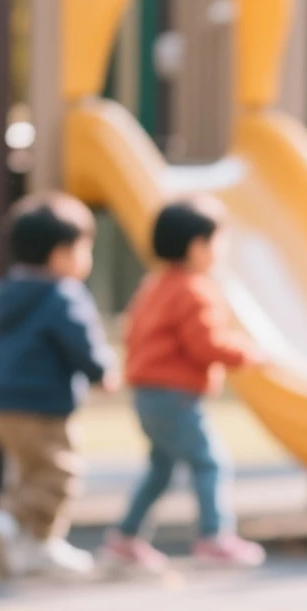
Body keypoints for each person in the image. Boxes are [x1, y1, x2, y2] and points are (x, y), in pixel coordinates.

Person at [99, 198, 265, 572]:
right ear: (198, 246)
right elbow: (206, 344)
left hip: (147, 393)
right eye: (219, 240)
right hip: (175, 395)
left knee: (161, 468)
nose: (222, 250)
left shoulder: (154, 285)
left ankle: (125, 538)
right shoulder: (196, 289)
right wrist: (248, 354)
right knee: (210, 463)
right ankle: (214, 536)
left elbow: (134, 333)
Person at [0, 193, 119, 578]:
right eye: (85, 248)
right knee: (60, 474)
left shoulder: (3, 292)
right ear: (61, 254)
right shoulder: (64, 295)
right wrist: (101, 372)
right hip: (43, 407)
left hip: (0, 406)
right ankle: (19, 529)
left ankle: (22, 546)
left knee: (25, 474)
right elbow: (80, 341)